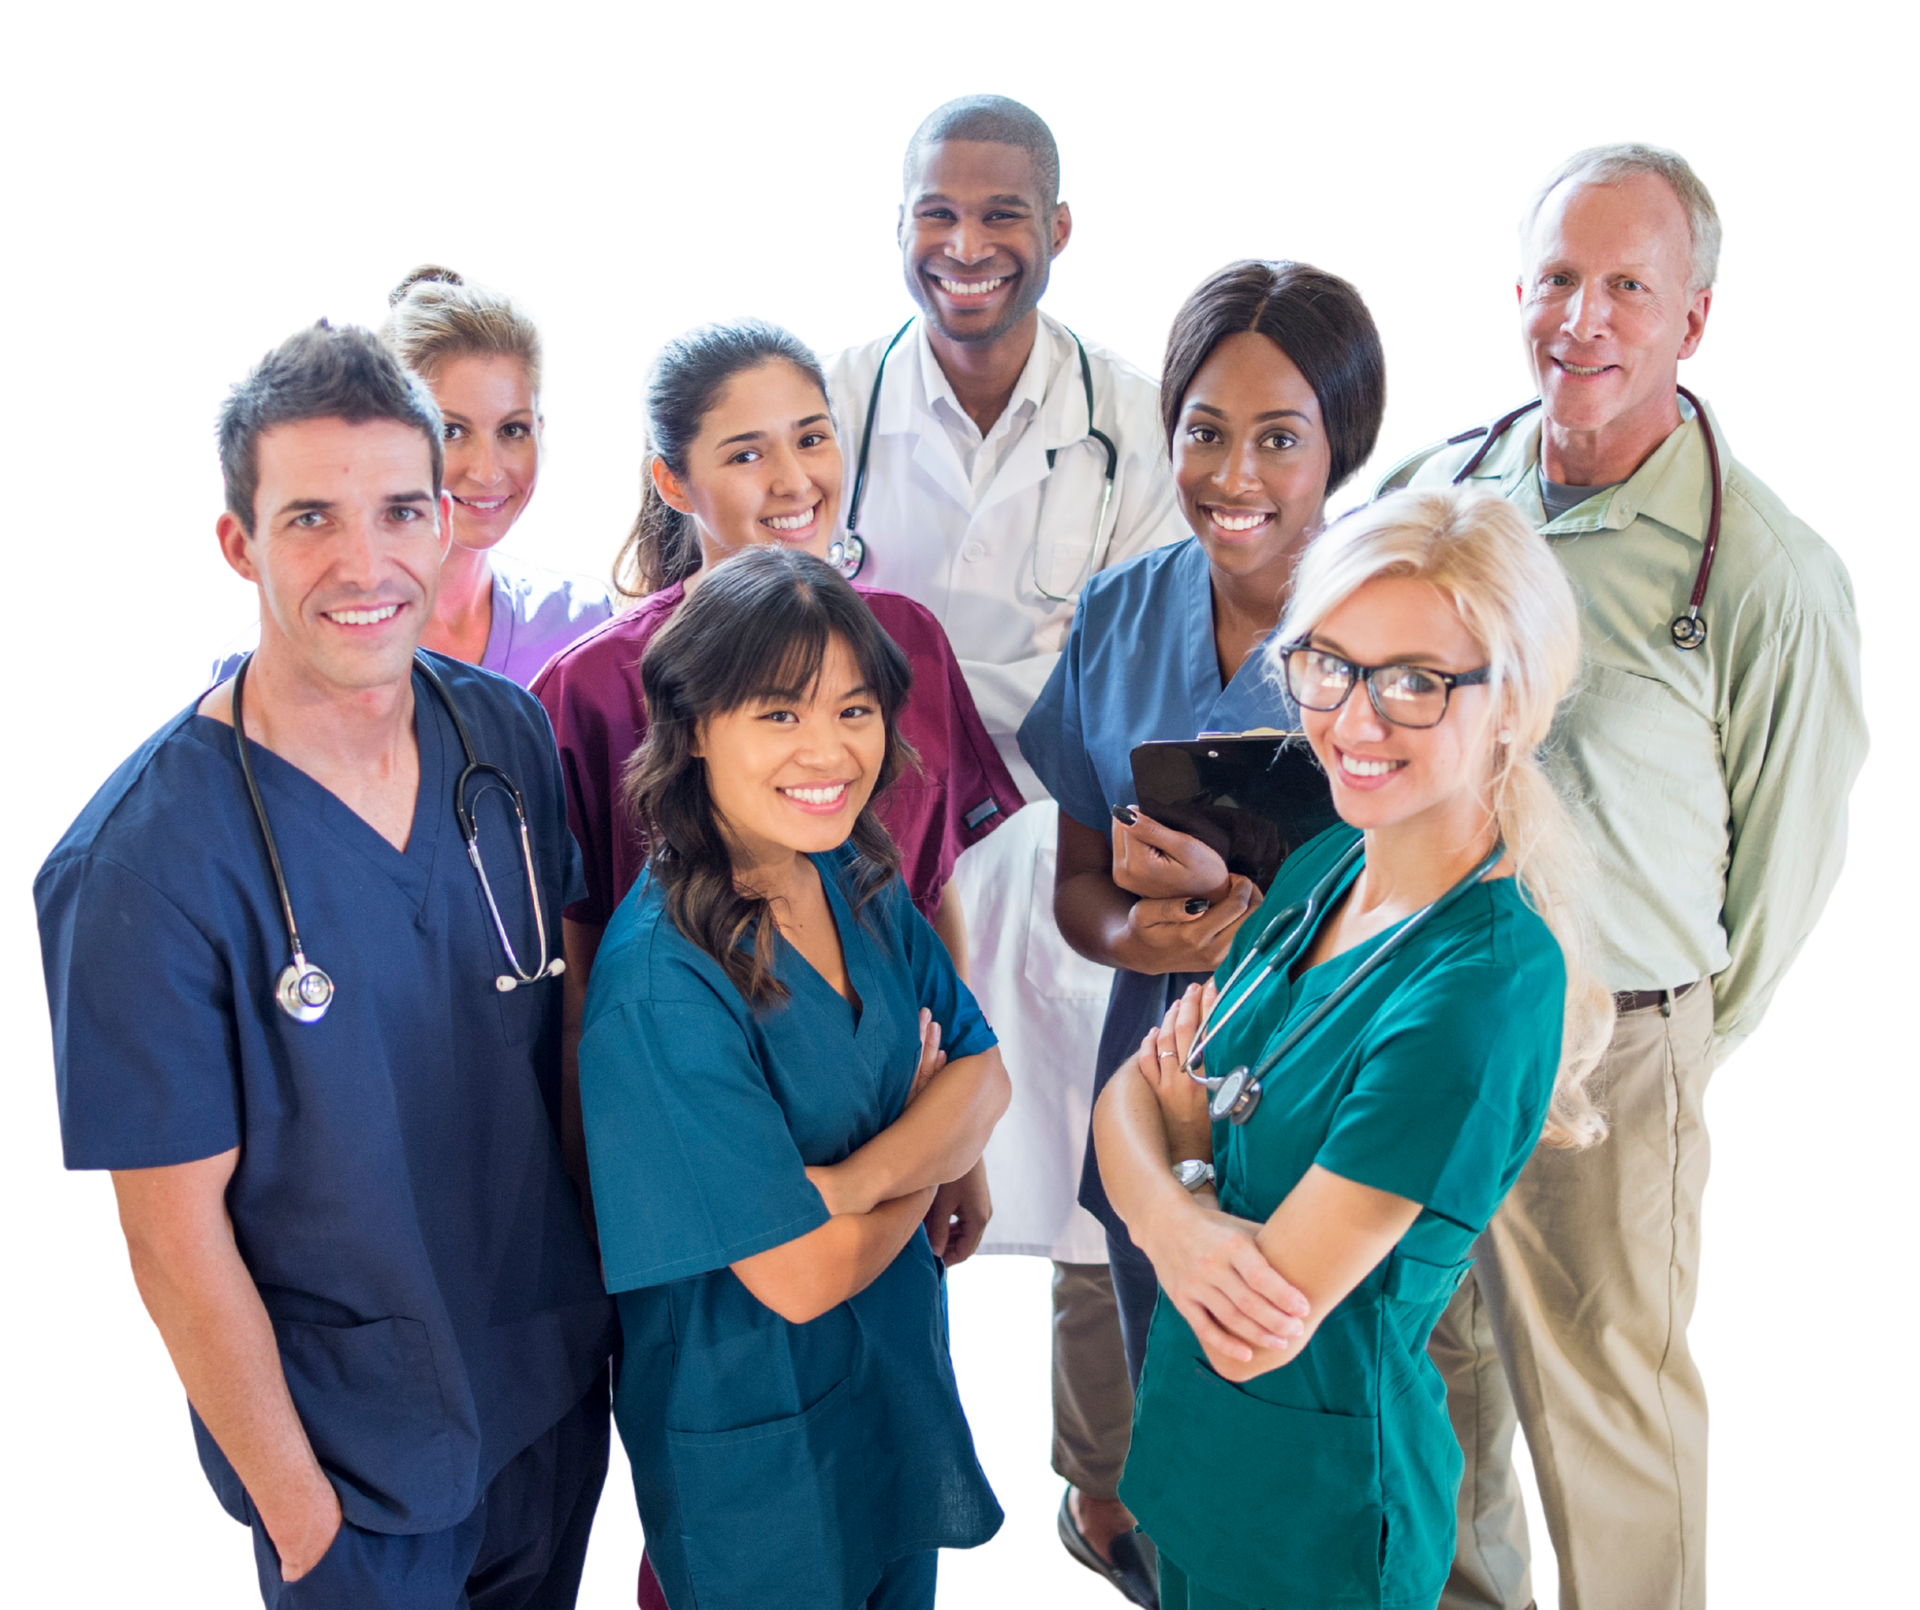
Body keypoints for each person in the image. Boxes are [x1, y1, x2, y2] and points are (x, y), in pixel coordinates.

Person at [32, 318, 616, 1607]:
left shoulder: (505, 743)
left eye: (403, 510)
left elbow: (558, 1037)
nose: (368, 563)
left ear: (444, 520)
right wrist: (304, 1518)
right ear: (238, 543)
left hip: (547, 1390)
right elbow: (169, 1243)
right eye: (310, 519)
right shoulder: (140, 863)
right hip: (351, 1465)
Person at [1371, 138, 1872, 1610]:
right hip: (1417, 1024)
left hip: (1612, 1050)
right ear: (1516, 290)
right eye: (1558, 279)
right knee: (1433, 1377)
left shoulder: (1766, 570)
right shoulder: (1428, 497)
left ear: (1693, 321)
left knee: (1609, 1417)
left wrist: (1672, 1045)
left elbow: (1792, 859)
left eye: (1627, 289)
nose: (1582, 319)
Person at [1094, 485, 1615, 1610]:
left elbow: (1251, 1328)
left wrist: (1171, 1175)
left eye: (1417, 681)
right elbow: (1124, 1099)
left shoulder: (1483, 985)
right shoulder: (1329, 860)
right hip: (1200, 1457)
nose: (1354, 719)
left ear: (1512, 701)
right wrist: (1178, 1210)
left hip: (1319, 1516)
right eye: (1329, 662)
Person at [820, 89, 1189, 1603]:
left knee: (1107, 1183)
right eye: (935, 213)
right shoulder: (825, 397)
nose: (966, 247)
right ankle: (883, 1484)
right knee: (892, 1176)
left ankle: (1102, 1495)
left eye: (1000, 214)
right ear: (900, 220)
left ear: (1060, 230)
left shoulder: (1139, 413)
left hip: (1071, 839)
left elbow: (1159, 637)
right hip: (866, 858)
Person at [534, 312, 1021, 1259]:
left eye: (812, 437)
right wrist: (585, 1192)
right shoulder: (589, 688)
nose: (796, 482)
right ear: (673, 481)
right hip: (709, 1143)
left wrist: (960, 1147)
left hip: (900, 1102)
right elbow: (582, 966)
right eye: (748, 453)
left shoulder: (905, 640)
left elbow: (934, 893)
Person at [577, 546, 1010, 1608]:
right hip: (754, 1446)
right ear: (692, 731)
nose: (831, 749)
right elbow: (799, 1277)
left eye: (856, 710)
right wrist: (924, 1144)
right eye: (779, 713)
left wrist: (859, 1184)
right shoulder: (660, 983)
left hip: (887, 1383)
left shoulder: (851, 872)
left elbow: (988, 1076)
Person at [1020, 254, 1390, 1385]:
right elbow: (1079, 880)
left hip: (1344, 1100)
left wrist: (1264, 931)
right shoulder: (1122, 609)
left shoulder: (1405, 614)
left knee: (1326, 1424)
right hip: (1158, 1096)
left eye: (1281, 437)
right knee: (1173, 1415)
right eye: (1204, 431)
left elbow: (1451, 898)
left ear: (1345, 443)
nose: (1235, 474)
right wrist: (1141, 937)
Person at [207, 262, 613, 691]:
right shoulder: (254, 670)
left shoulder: (587, 621)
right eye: (451, 431)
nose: (488, 471)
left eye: (513, 430)